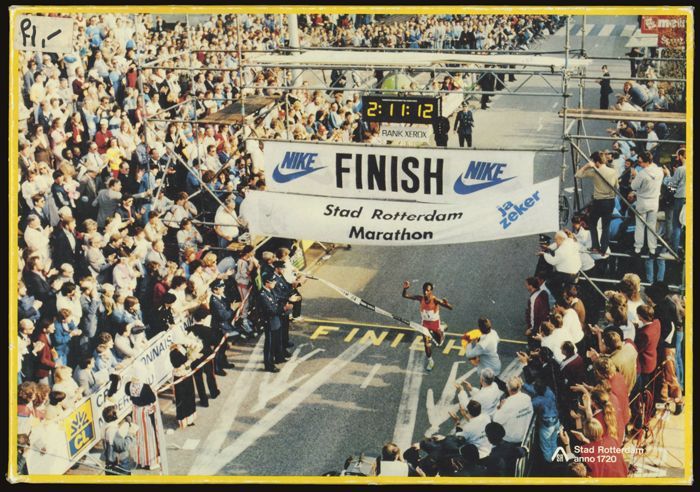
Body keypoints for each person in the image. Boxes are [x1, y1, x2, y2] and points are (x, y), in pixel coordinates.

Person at [402, 280, 453, 371]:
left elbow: (450, 308)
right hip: (425, 325)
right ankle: (430, 361)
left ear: (431, 291)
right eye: (424, 290)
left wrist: (446, 304)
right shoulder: (420, 298)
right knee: (426, 344)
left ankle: (442, 328)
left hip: (435, 324)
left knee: (439, 343)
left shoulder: (435, 300)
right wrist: (405, 289)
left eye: (427, 291)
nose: (425, 292)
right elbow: (405, 295)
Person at [575, 151, 618, 256]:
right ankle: (604, 248)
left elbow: (577, 175)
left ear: (597, 162)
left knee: (592, 223)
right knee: (606, 226)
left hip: (599, 202)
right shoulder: (613, 171)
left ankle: (595, 245)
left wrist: (587, 166)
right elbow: (617, 187)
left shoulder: (594, 171)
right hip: (610, 201)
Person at [124, 371, 163, 470]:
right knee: (149, 436)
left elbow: (127, 393)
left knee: (139, 436)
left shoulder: (128, 386)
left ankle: (141, 460)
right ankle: (150, 461)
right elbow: (152, 399)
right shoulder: (145, 387)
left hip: (136, 412)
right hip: (145, 413)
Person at [629, 151, 663, 255]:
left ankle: (638, 248)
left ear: (647, 162)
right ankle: (652, 248)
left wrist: (634, 176)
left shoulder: (642, 174)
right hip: (654, 201)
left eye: (640, 162)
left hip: (643, 202)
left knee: (640, 225)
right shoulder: (659, 171)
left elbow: (633, 186)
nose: (639, 164)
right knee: (652, 225)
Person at [258, 273, 287, 373]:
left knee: (277, 341)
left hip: (276, 321)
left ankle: (278, 357)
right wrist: (284, 308)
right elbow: (271, 311)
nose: (275, 283)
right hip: (270, 322)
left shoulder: (271, 290)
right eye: (272, 282)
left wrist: (289, 298)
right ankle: (269, 365)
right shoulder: (262, 295)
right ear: (267, 283)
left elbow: (278, 298)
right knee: (270, 345)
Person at [102, 405, 138, 475]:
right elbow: (124, 446)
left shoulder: (105, 426)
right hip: (119, 466)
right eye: (117, 411)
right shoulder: (112, 431)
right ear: (114, 416)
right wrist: (130, 434)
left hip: (110, 463)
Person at [169, 343, 197, 428]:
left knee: (190, 396)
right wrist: (187, 361)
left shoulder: (183, 347)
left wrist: (190, 357)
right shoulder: (173, 352)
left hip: (187, 374)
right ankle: (182, 420)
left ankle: (190, 419)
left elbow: (187, 356)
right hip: (179, 377)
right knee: (181, 399)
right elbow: (176, 364)